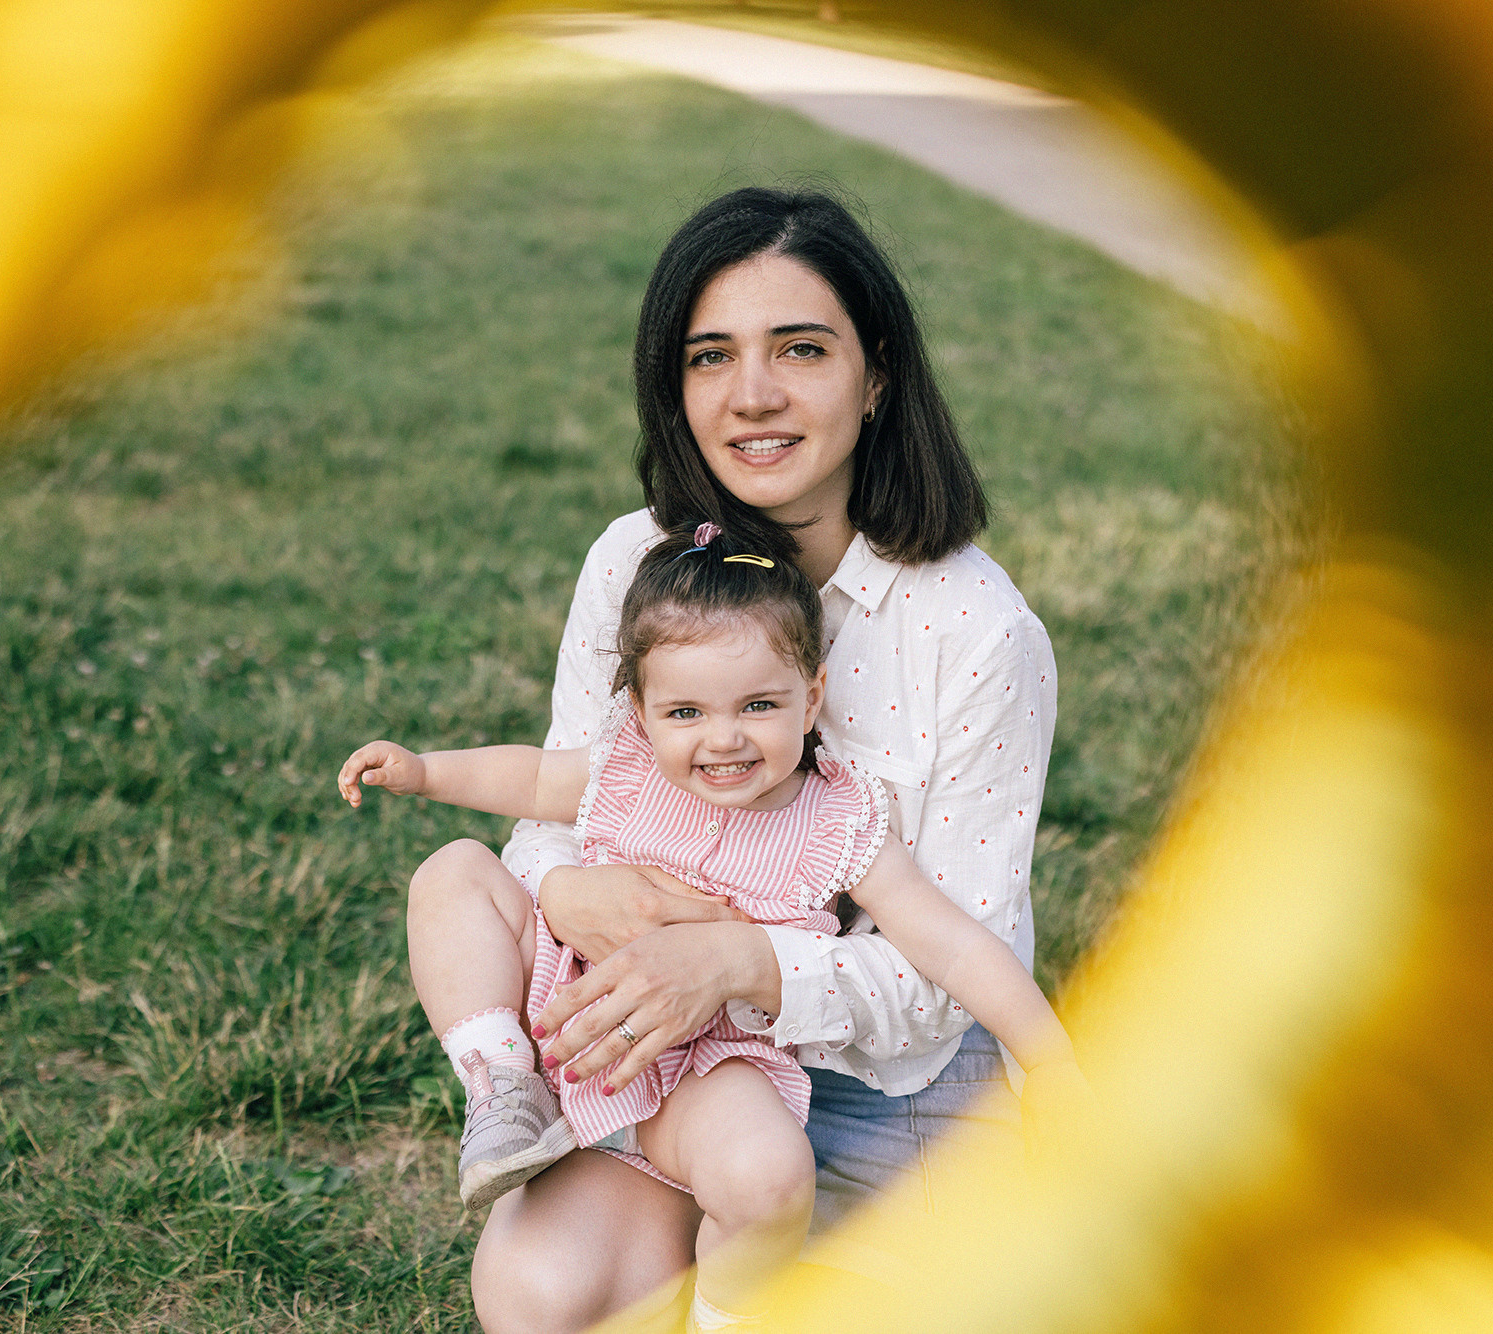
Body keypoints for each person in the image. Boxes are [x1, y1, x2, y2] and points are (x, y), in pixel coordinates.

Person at [441, 184, 1056, 1333]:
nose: (752, 394)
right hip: (674, 1053)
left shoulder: (976, 630)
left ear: (876, 376)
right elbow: (560, 805)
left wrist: (740, 961)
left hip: (884, 1075)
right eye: (709, 355)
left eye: (801, 348)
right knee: (545, 1299)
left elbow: (945, 974)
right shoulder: (633, 561)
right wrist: (562, 888)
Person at [338, 523, 1073, 1331]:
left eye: (758, 705)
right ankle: (506, 1086)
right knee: (452, 873)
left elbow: (954, 948)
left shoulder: (839, 823)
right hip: (572, 1022)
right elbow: (538, 776)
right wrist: (426, 773)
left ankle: (725, 1313)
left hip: (708, 1067)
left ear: (812, 698)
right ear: (641, 711)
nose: (724, 739)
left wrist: (1050, 1059)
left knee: (769, 1176)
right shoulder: (626, 764)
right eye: (685, 711)